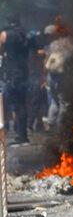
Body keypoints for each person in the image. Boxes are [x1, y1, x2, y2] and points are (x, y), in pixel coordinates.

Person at [1, 17, 33, 145]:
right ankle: (22, 135)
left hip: (11, 74)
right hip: (24, 73)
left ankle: (5, 132)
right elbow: (33, 53)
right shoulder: (26, 34)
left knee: (5, 103)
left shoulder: (4, 34)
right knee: (21, 104)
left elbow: (0, 50)